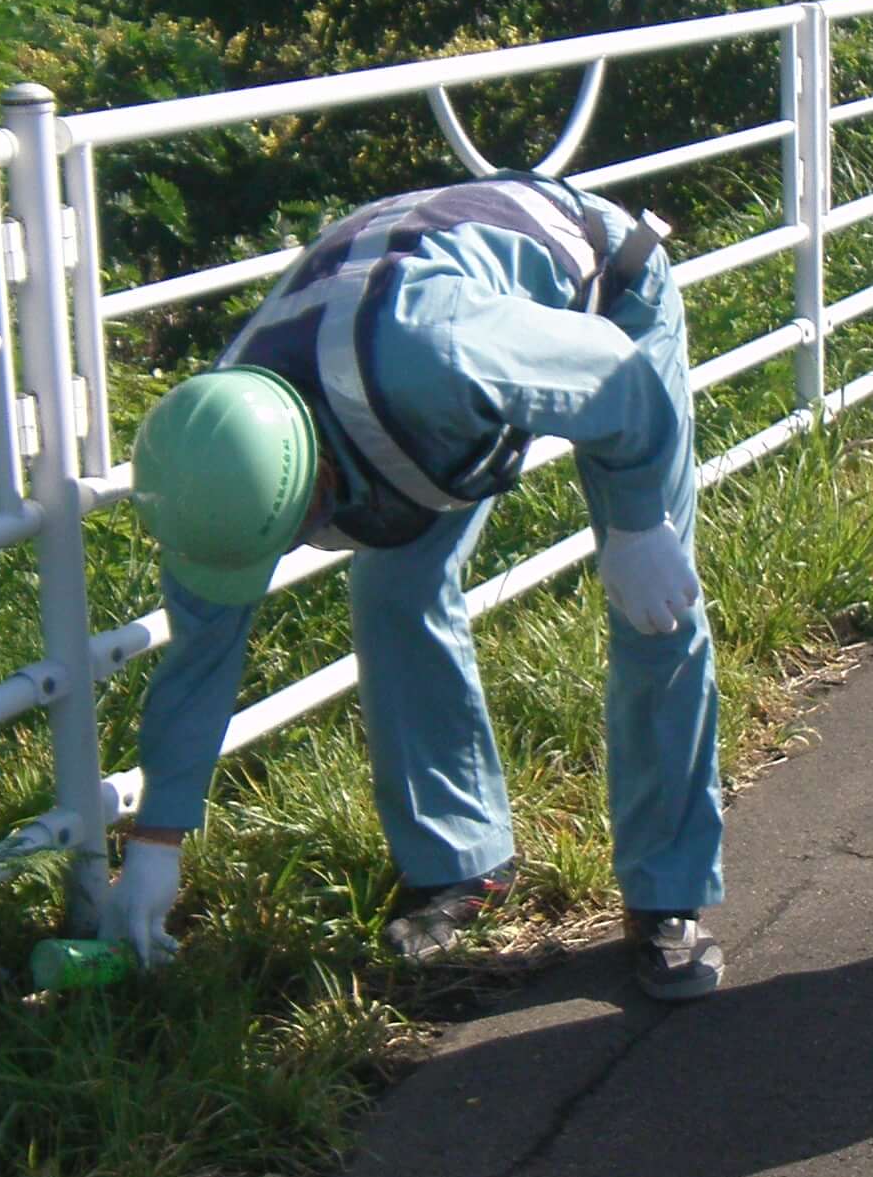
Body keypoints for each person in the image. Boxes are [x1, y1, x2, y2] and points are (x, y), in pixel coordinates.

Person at [120, 174, 727, 996]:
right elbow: (201, 655)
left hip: (599, 311)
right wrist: (154, 843)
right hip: (401, 351)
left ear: (322, 479)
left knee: (657, 608)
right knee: (395, 594)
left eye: (303, 528)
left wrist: (639, 526)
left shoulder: (436, 354)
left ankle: (669, 892)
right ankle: (459, 863)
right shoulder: (215, 459)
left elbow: (618, 381)